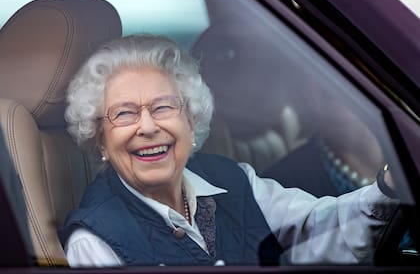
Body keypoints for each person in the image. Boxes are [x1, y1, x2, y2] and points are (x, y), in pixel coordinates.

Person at [59, 34, 398, 267]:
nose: (147, 127)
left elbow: (325, 229)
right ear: (101, 140)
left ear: (192, 122)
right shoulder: (93, 242)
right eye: (124, 113)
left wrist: (391, 184)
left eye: (163, 107)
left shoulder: (234, 180)